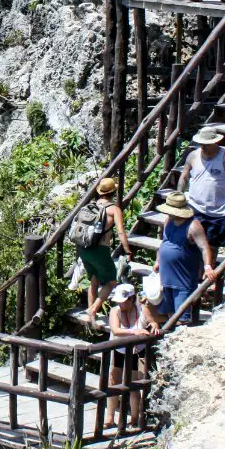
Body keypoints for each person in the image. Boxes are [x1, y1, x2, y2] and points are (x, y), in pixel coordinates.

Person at [178, 129, 225, 253]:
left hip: (218, 212)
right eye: (201, 143)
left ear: (215, 142)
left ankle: (209, 271)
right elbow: (184, 176)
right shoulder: (193, 155)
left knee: (212, 248)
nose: (203, 146)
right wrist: (180, 194)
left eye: (206, 144)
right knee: (191, 245)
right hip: (195, 207)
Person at [153, 192, 217, 324]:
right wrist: (158, 260)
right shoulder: (169, 220)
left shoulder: (193, 226)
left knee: (181, 316)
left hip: (183, 279)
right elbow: (164, 242)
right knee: (168, 312)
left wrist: (207, 267)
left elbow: (204, 247)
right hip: (166, 275)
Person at [78, 177, 134, 325]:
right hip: (100, 250)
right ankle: (93, 310)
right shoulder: (114, 209)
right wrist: (127, 251)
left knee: (94, 280)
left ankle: (91, 317)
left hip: (84, 248)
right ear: (114, 192)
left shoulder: (91, 206)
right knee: (111, 281)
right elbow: (121, 232)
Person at [104, 284, 153, 428]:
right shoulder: (115, 311)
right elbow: (115, 330)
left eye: (123, 300)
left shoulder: (142, 310)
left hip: (136, 351)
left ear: (132, 299)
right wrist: (135, 332)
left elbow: (152, 320)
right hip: (119, 349)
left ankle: (134, 417)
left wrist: (154, 324)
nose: (120, 303)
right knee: (113, 382)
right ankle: (110, 417)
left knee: (134, 384)